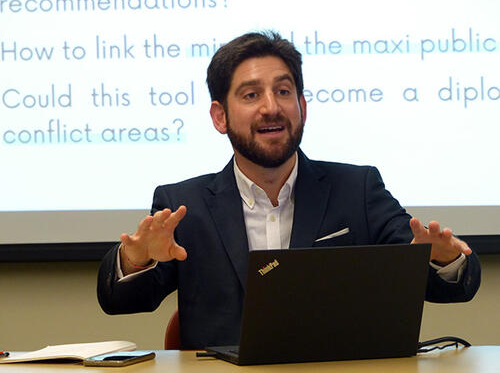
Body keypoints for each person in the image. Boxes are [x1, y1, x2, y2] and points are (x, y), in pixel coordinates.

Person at [97, 31, 481, 349]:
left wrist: (444, 259)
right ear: (220, 117)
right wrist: (134, 260)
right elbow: (120, 302)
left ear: (302, 106)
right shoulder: (185, 206)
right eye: (250, 95)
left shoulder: (357, 189)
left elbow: (445, 285)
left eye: (283, 92)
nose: (271, 108)